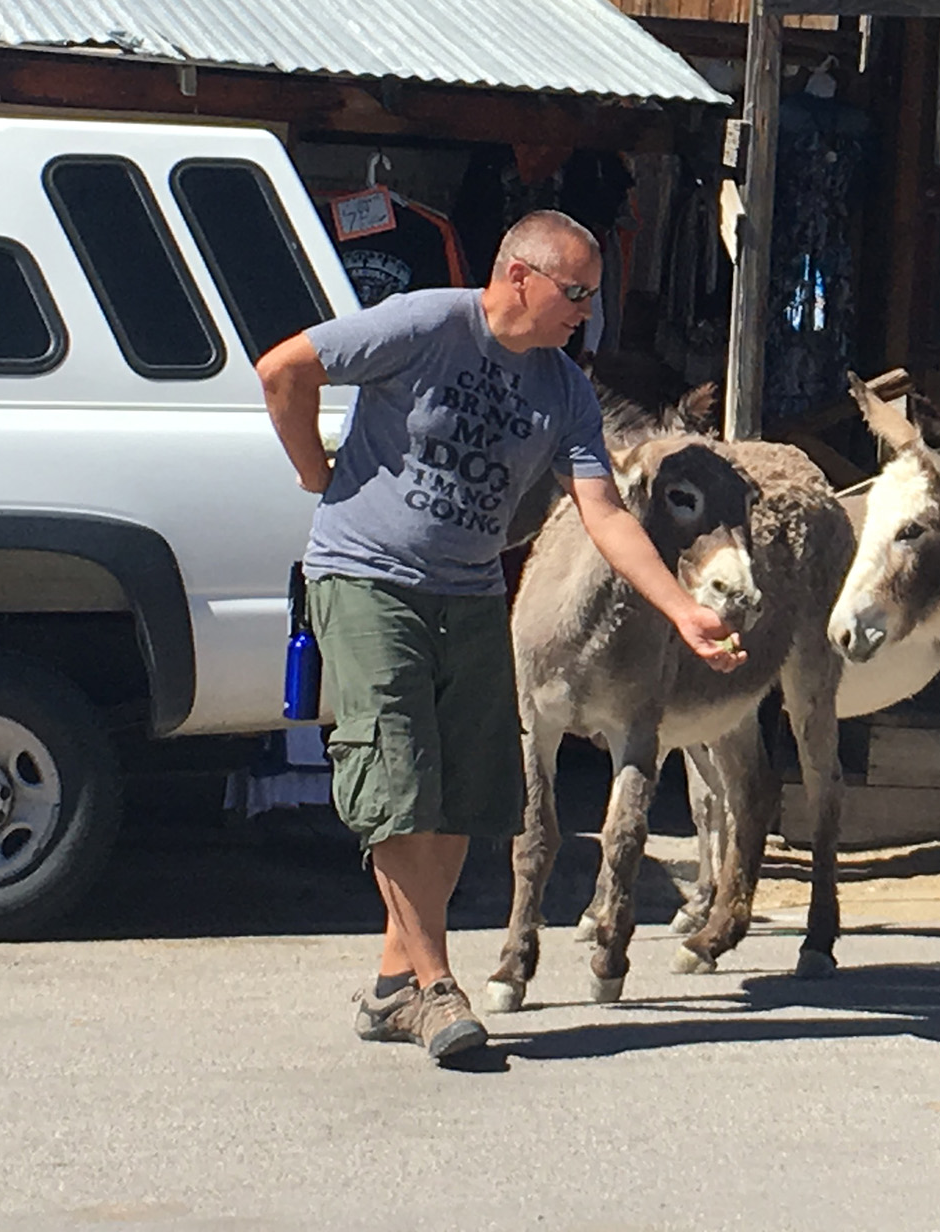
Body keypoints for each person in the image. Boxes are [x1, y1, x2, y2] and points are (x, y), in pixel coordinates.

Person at [256, 208, 744, 1064]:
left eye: (594, 295)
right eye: (576, 292)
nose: (586, 311)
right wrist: (314, 472)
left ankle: (390, 983)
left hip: (471, 594)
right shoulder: (423, 324)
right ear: (519, 275)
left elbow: (604, 511)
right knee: (399, 783)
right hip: (368, 580)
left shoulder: (561, 388)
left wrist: (681, 609)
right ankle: (437, 989)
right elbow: (284, 368)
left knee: (457, 799)